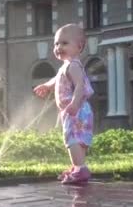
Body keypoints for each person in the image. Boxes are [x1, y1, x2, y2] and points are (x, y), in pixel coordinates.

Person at [33, 24, 94, 184]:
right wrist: (47, 85)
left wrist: (74, 103)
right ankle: (77, 167)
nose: (59, 47)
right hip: (75, 110)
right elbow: (57, 79)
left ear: (79, 46)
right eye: (56, 44)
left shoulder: (74, 66)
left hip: (76, 109)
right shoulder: (66, 66)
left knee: (72, 139)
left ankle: (81, 169)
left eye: (64, 43)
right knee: (77, 139)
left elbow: (80, 85)